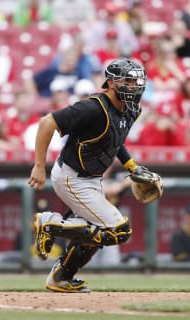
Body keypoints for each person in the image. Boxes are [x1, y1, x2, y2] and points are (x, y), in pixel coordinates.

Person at [28, 58, 149, 293]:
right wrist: (39, 165)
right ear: (112, 83)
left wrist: (132, 166)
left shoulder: (132, 109)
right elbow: (46, 123)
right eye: (129, 80)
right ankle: (50, 224)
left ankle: (61, 277)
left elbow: (115, 139)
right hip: (71, 176)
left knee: (97, 234)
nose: (135, 85)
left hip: (92, 179)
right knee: (118, 230)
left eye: (137, 81)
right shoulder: (93, 107)